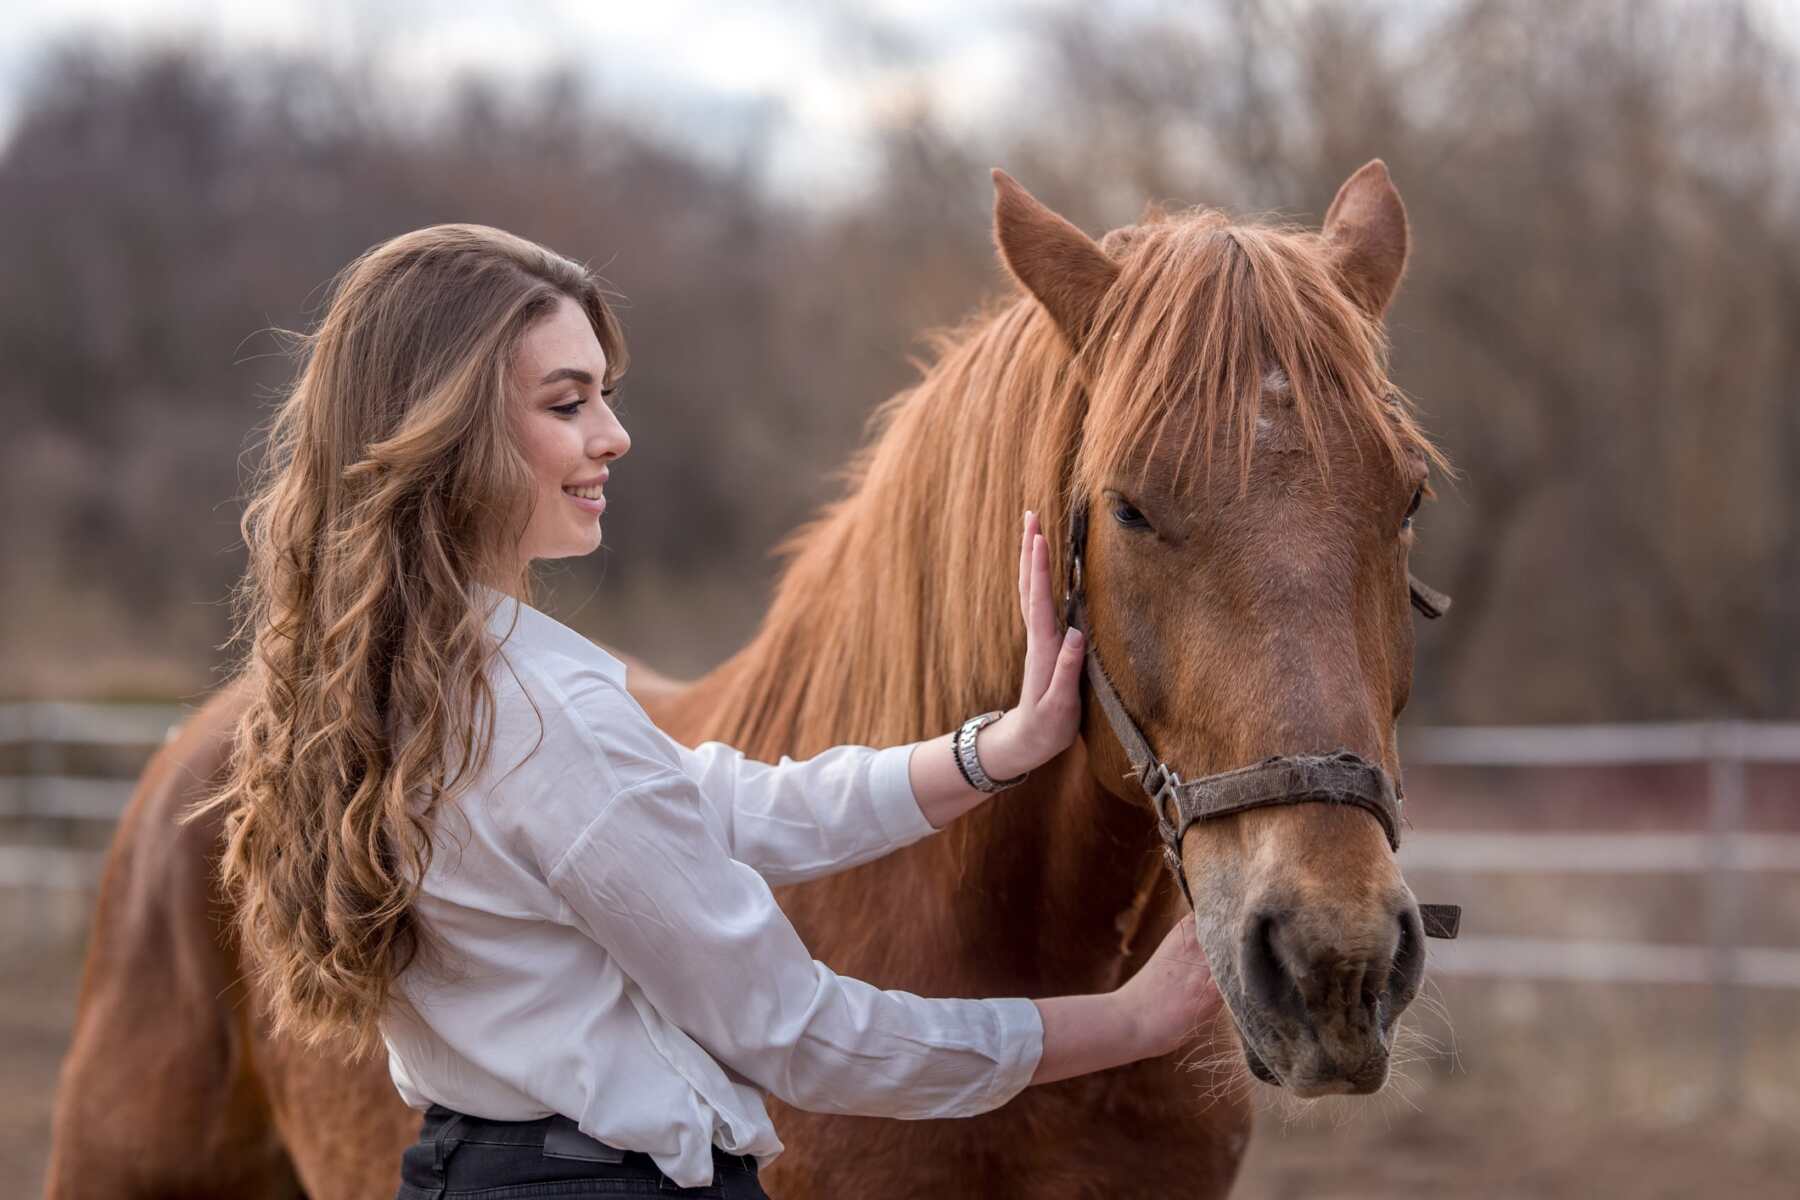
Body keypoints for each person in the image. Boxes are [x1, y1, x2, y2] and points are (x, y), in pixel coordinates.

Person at [194, 224, 1220, 1200]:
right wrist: (1124, 1021)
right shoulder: (544, 718)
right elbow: (795, 1035)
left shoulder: (423, 675)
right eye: (567, 404)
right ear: (450, 432)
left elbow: (708, 806)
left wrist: (994, 752)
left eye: (605, 396)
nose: (614, 435)